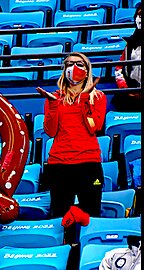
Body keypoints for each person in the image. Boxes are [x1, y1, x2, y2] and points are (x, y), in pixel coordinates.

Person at [36, 52, 107, 218]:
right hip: (59, 165)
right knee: (59, 216)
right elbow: (50, 131)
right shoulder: (55, 97)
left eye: (79, 64)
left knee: (91, 215)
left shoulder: (97, 97)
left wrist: (83, 100)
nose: (73, 67)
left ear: (87, 70)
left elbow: (93, 127)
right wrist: (53, 105)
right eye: (69, 64)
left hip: (89, 165)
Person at [112, 3, 141, 112]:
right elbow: (119, 69)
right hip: (131, 92)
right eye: (140, 15)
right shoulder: (129, 45)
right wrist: (126, 89)